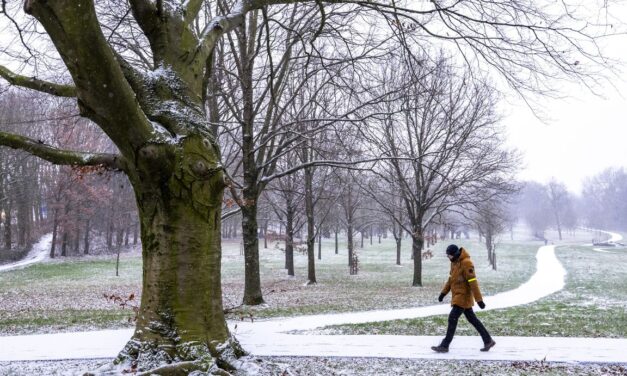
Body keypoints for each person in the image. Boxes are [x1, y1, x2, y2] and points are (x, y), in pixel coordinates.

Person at [431, 244, 496, 353]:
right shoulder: (454, 263)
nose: (448, 258)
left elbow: (473, 282)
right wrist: (443, 293)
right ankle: (488, 340)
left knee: (452, 318)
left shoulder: (466, 263)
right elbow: (450, 280)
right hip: (457, 296)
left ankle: (445, 345)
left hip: (463, 297)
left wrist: (479, 300)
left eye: (449, 256)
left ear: (455, 254)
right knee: (473, 320)